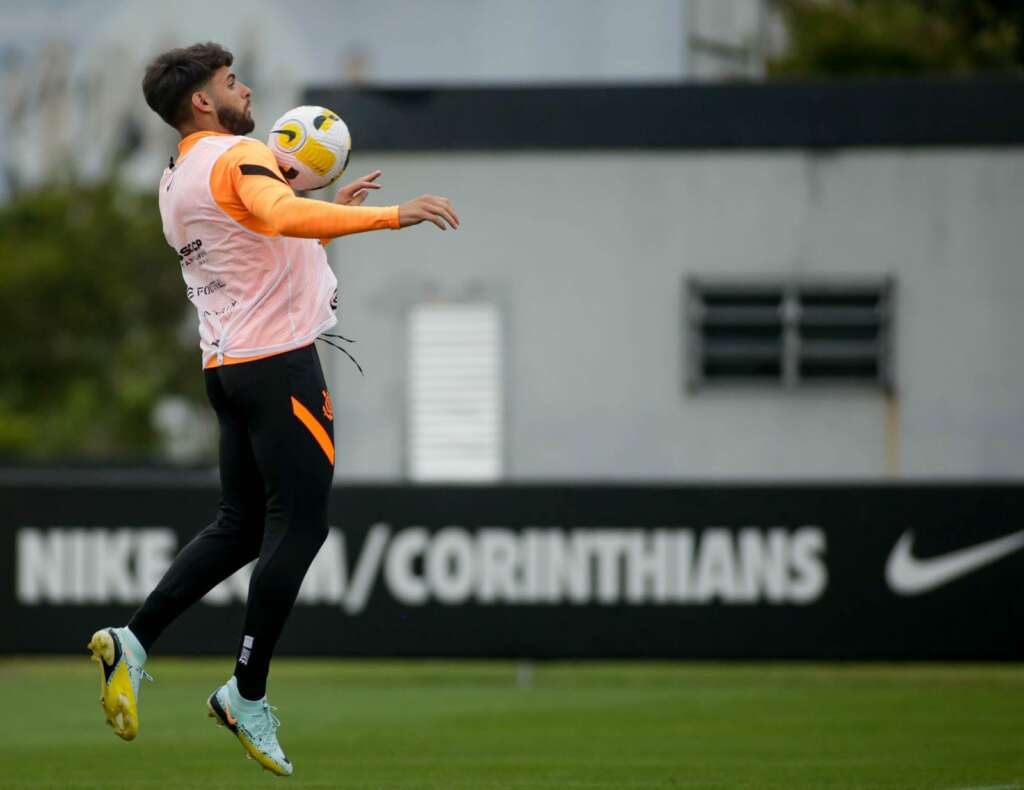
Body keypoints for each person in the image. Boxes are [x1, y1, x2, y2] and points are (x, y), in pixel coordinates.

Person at [86, 41, 459, 777]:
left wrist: (326, 213)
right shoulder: (239, 154)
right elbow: (278, 216)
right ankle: (245, 693)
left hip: (226, 371)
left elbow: (254, 238)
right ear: (203, 100)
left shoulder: (175, 177)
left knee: (242, 526)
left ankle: (133, 640)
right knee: (304, 523)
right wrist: (395, 215)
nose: (246, 89)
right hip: (278, 367)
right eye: (232, 81)